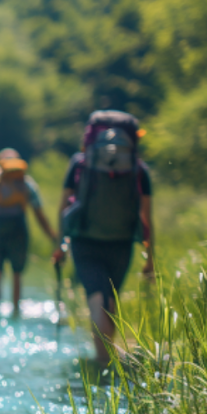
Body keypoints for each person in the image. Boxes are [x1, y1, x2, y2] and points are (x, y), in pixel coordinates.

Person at [53, 110, 155, 368]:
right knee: (110, 299)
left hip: (84, 239)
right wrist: (150, 258)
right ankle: (109, 358)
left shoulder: (80, 163)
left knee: (97, 297)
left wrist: (60, 244)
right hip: (121, 240)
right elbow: (146, 217)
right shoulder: (138, 169)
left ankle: (102, 361)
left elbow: (63, 206)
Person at [0, 148, 57, 317]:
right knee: (17, 274)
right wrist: (51, 235)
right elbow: (38, 212)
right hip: (18, 228)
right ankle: (15, 312)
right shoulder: (26, 182)